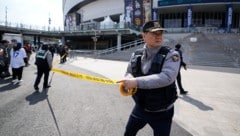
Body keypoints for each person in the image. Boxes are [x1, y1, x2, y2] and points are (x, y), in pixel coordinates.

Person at [117, 20, 180, 136]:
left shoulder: (171, 55)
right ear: (144, 36)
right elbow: (128, 72)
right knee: (128, 133)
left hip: (162, 112)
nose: (158, 36)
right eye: (154, 33)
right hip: (141, 107)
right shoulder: (136, 55)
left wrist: (135, 82)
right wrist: (127, 80)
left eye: (160, 33)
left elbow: (167, 77)